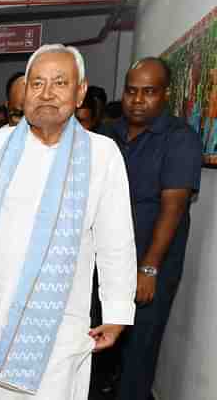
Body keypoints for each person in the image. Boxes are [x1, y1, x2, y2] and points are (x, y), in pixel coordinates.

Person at [0, 44, 137, 400]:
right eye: (37, 83)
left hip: (56, 326)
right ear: (24, 91)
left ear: (80, 91)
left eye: (60, 82)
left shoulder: (102, 155)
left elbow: (115, 239)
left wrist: (117, 310)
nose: (47, 93)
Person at [102, 57, 202, 400]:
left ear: (166, 95)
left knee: (139, 352)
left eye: (149, 92)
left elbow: (173, 208)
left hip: (150, 264)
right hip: (105, 261)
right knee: (99, 344)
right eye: (131, 91)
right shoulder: (107, 134)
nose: (137, 100)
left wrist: (149, 267)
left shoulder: (180, 139)